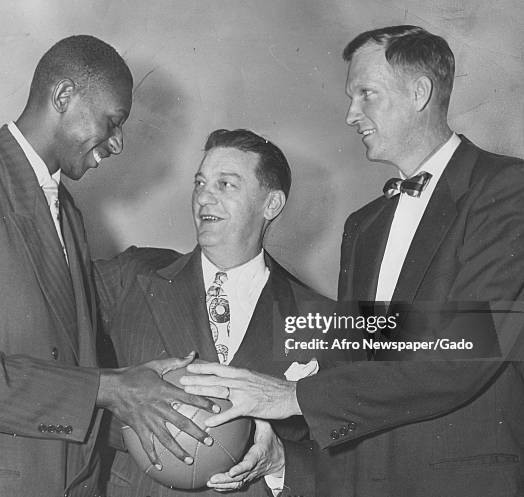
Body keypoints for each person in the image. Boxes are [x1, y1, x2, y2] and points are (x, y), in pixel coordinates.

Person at [180, 26, 524, 496]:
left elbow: (467, 345)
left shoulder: (506, 189)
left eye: (366, 94)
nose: (350, 114)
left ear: (420, 93)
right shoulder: (365, 226)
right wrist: (283, 453)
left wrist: (293, 397)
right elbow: (356, 371)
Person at [0, 35, 215, 497]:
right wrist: (109, 387)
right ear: (63, 96)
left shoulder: (67, 211)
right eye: (112, 122)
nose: (118, 143)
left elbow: (63, 372)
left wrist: (143, 399)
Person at [94, 129, 334, 497]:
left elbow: (353, 458)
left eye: (226, 184)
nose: (204, 196)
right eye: (200, 183)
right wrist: (123, 418)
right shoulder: (132, 275)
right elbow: (52, 337)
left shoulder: (321, 318)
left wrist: (281, 461)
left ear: (271, 205)